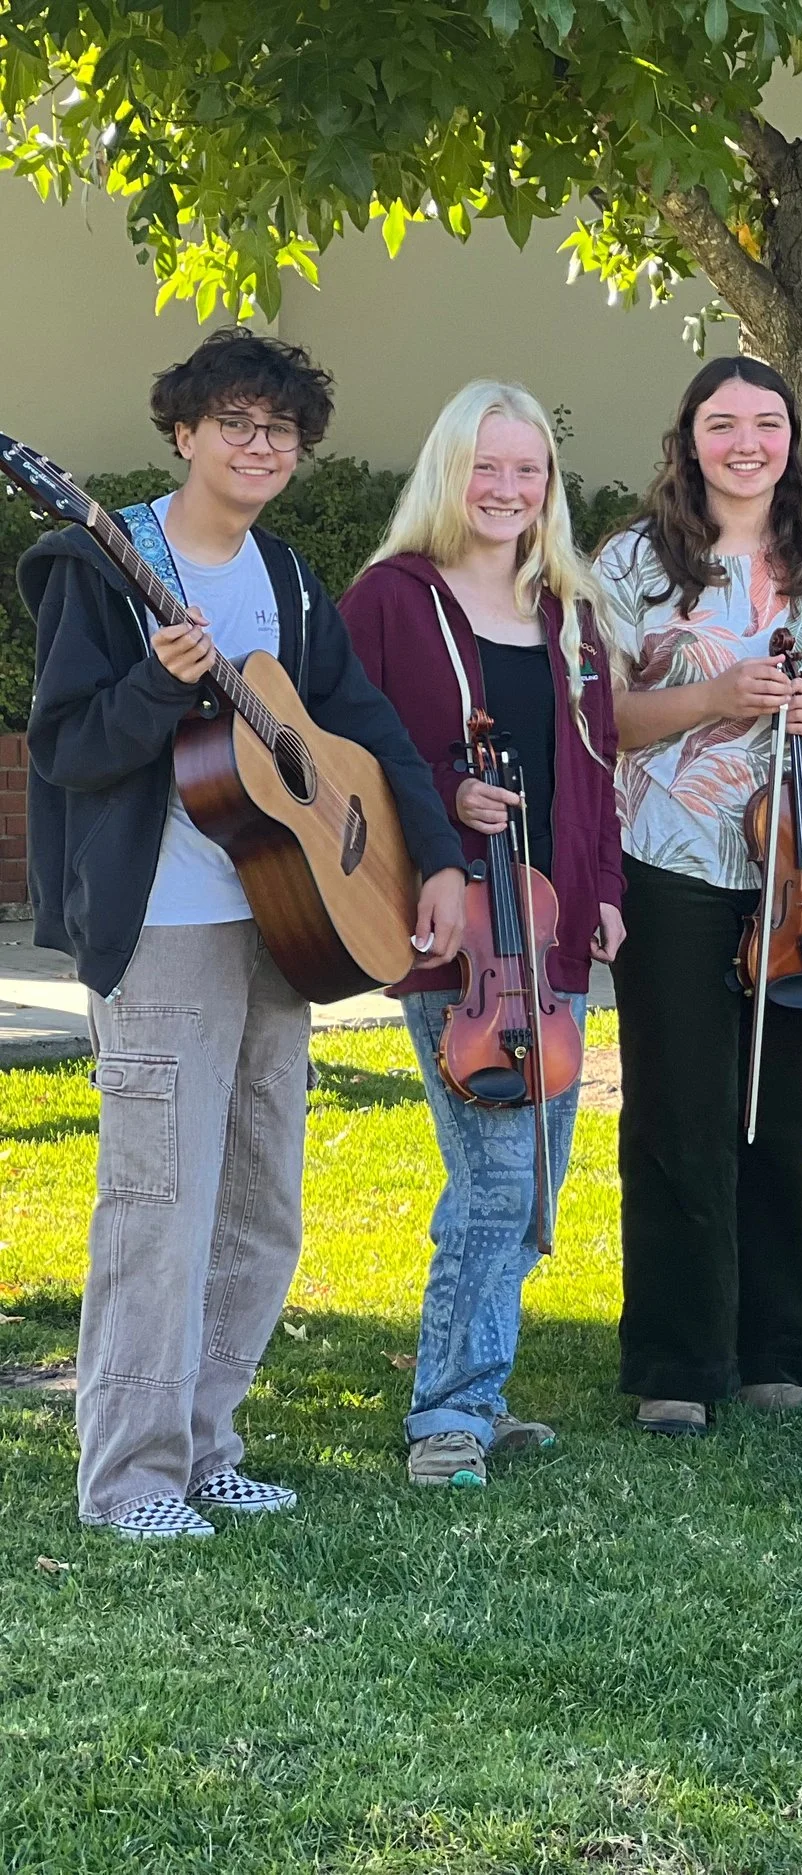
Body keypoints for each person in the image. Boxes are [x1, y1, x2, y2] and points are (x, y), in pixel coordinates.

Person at [22, 330, 467, 1539]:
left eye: (280, 431)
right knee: (156, 1210)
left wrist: (432, 857)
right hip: (163, 931)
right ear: (183, 431)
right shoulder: (102, 562)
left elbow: (357, 721)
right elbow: (67, 748)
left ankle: (208, 1443)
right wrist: (163, 686)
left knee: (261, 1206)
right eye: (235, 423)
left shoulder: (284, 575)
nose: (260, 445)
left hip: (285, 924)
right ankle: (128, 1479)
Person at [340, 381, 626, 1487]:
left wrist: (603, 890)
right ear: (449, 472)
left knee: (534, 1175)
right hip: (454, 931)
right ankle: (447, 1414)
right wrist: (447, 806)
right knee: (498, 1176)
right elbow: (358, 755)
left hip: (548, 929)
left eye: (529, 470)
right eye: (487, 466)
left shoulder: (572, 610)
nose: (508, 489)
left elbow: (595, 771)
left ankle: (481, 1389)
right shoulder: (391, 599)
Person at [592, 357, 802, 1437]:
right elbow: (600, 720)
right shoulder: (628, 563)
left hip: (801, 865)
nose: (747, 442)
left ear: (792, 437)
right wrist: (710, 697)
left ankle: (773, 1346)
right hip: (666, 858)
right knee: (679, 1109)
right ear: (691, 436)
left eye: (767, 423)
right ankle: (677, 1361)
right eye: (724, 424)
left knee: (783, 1111)